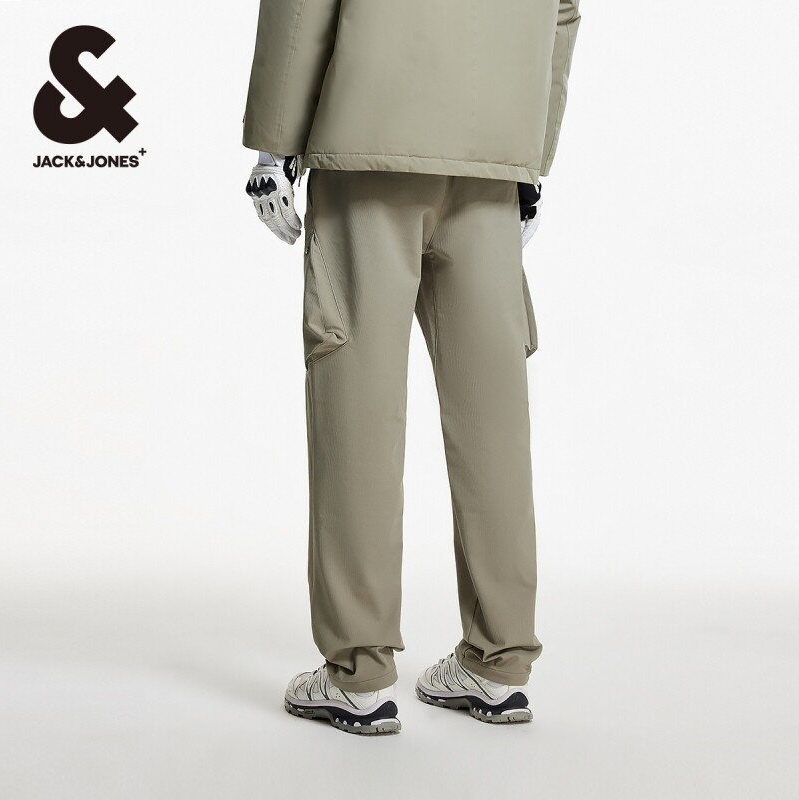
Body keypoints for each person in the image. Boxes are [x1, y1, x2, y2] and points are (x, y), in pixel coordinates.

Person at [242, 0, 581, 735]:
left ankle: (357, 673)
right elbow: (561, 12)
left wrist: (272, 149)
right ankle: (498, 663)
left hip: (369, 139)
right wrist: (530, 160)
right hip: (493, 158)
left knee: (357, 397)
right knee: (492, 412)